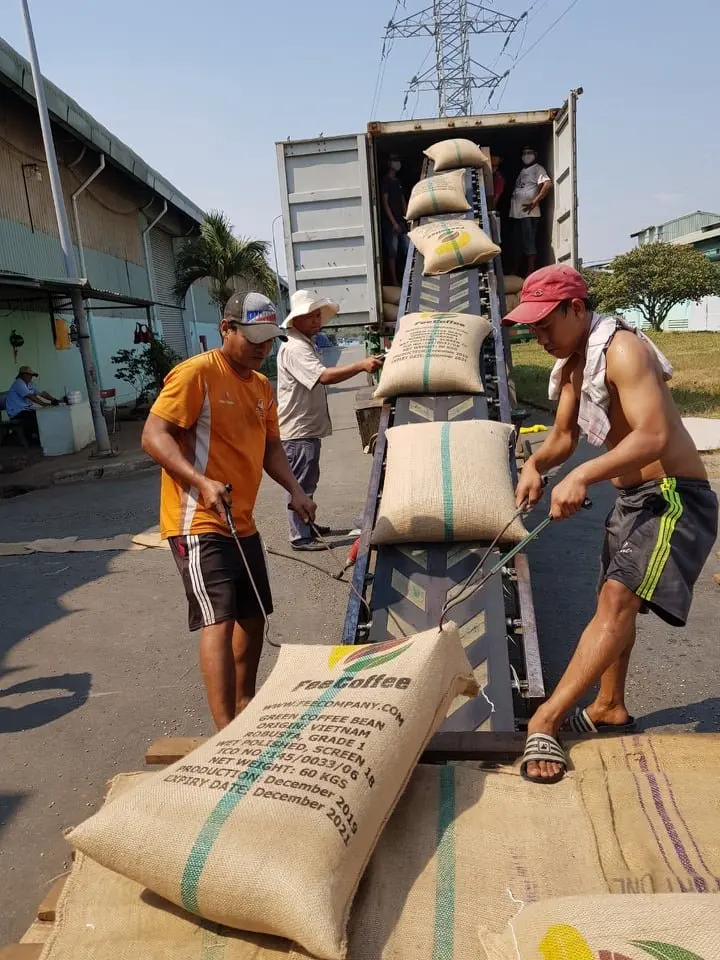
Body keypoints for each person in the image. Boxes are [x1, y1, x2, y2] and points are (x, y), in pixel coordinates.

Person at [505, 265, 718, 784]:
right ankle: (609, 705)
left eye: (545, 324)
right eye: (532, 328)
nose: (540, 337)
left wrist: (581, 475)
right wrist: (536, 466)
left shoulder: (623, 350)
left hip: (673, 497)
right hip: (634, 498)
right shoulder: (574, 365)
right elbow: (562, 438)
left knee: (617, 602)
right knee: (613, 600)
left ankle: (546, 719)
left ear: (577, 309)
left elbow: (654, 436)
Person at [141, 292, 316, 730]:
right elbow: (153, 435)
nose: (262, 348)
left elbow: (271, 448)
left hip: (242, 521)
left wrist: (296, 490)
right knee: (218, 619)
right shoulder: (197, 374)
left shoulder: (261, 387)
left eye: (269, 339)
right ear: (226, 328)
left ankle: (244, 704)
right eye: (253, 338)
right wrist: (201, 482)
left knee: (253, 617)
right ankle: (225, 728)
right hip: (197, 519)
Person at [277, 290, 384, 551]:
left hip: (305, 427)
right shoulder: (296, 347)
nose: (317, 321)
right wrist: (360, 366)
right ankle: (300, 536)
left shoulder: (305, 343)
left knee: (308, 479)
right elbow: (323, 377)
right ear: (296, 319)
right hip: (298, 429)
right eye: (310, 316)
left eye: (318, 316)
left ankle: (307, 524)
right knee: (301, 482)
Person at [509, 147, 552, 275]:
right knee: (517, 244)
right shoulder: (523, 171)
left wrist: (535, 201)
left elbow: (547, 184)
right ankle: (516, 271)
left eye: (529, 153)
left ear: (535, 154)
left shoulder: (538, 168)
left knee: (529, 244)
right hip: (517, 214)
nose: (526, 155)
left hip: (529, 214)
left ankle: (530, 272)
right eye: (524, 153)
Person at [5, 366, 60, 443]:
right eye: (29, 375)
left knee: (38, 413)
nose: (31, 377)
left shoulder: (30, 384)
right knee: (31, 415)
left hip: (25, 409)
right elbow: (30, 396)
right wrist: (44, 404)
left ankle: (39, 436)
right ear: (22, 375)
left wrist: (54, 400)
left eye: (32, 375)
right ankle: (33, 437)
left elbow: (42, 394)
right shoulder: (19, 383)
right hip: (15, 412)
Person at [381, 153, 409, 286]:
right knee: (393, 252)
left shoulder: (397, 181)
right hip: (390, 224)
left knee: (407, 249)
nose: (397, 163)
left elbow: (403, 201)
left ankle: (408, 276)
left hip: (401, 222)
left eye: (398, 160)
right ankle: (394, 281)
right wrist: (393, 223)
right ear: (389, 163)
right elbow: (385, 203)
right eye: (395, 161)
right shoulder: (386, 181)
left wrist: (407, 217)